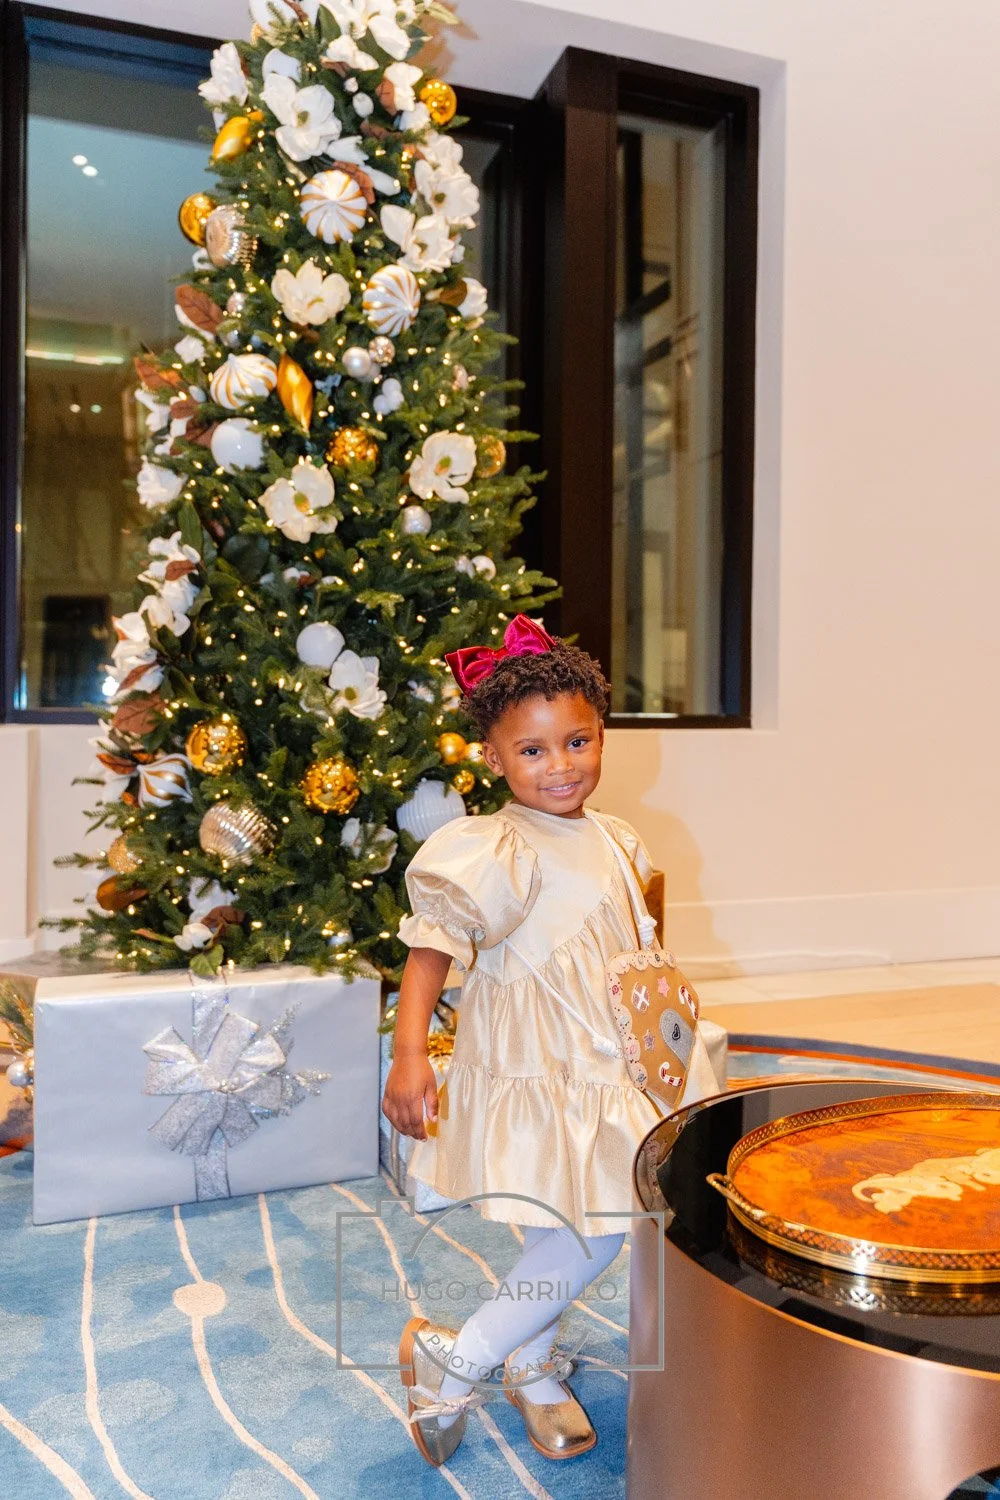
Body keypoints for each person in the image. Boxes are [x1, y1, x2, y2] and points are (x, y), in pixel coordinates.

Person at [382, 614, 664, 1468]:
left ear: (601, 734)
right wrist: (406, 1056)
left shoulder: (618, 837)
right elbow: (429, 956)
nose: (562, 765)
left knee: (572, 1218)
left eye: (578, 740)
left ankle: (530, 1360)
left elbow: (640, 945)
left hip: (610, 1062)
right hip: (538, 1068)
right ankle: (456, 1359)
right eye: (533, 751)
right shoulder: (491, 848)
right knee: (599, 1225)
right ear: (494, 758)